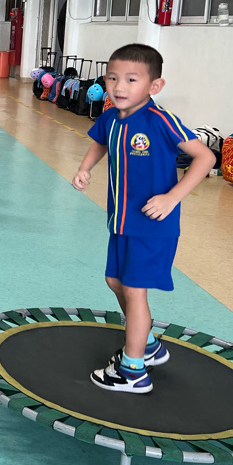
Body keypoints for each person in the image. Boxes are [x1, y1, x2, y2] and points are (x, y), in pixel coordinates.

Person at [73, 44, 214, 394]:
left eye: (131, 79)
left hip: (152, 226)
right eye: (112, 78)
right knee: (114, 281)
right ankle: (148, 344)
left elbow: (206, 157)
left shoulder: (159, 120)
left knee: (135, 292)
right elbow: (100, 142)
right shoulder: (110, 117)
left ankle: (133, 371)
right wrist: (85, 168)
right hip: (121, 222)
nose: (119, 86)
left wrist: (172, 198)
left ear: (155, 86)